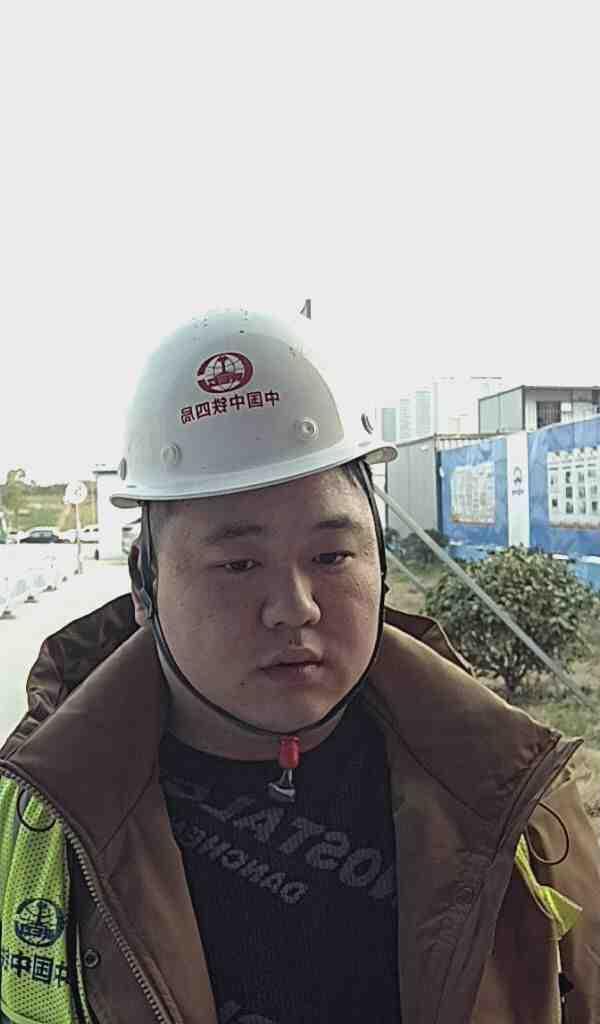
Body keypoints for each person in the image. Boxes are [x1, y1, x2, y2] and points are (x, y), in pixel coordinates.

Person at [1, 309, 599, 1024]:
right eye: (238, 564)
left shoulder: (511, 791)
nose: (295, 608)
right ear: (144, 584)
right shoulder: (41, 820)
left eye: (331, 556)